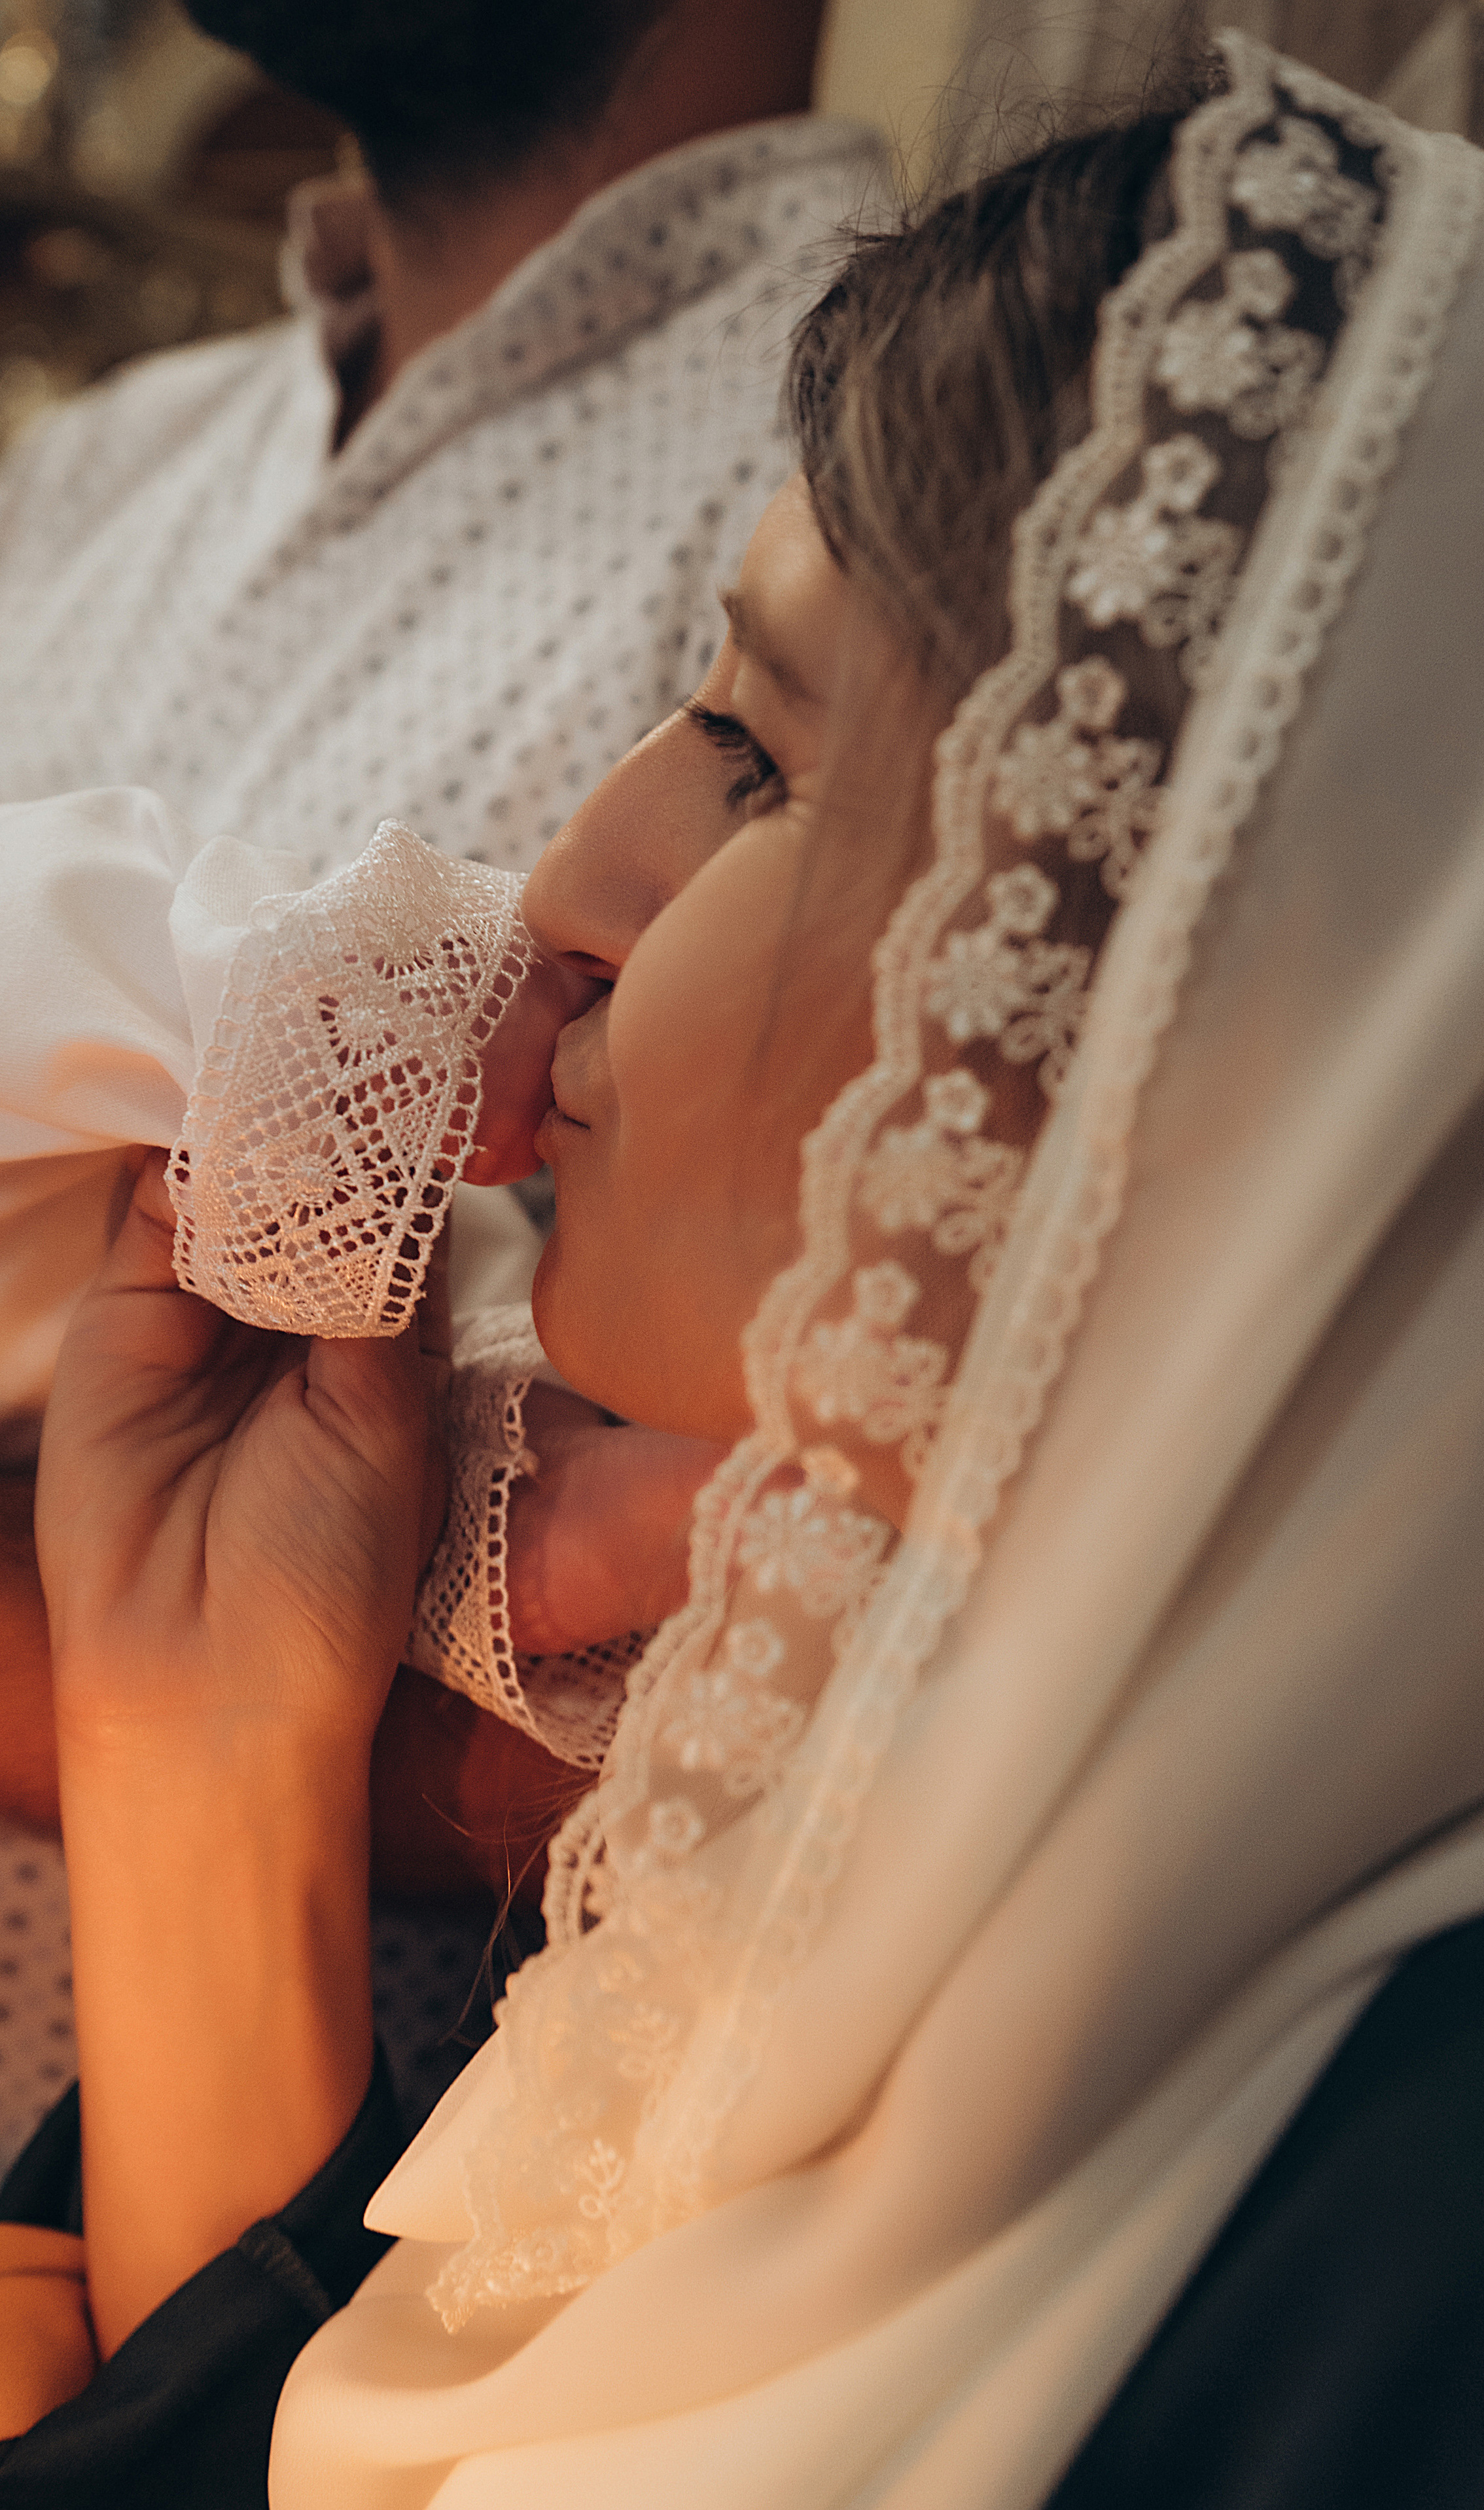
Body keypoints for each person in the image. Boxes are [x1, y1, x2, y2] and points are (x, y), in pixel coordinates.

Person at [5, 28, 1484, 2501]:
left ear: (1270, 1024)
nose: (565, 893)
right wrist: (212, 1751)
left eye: (763, 756)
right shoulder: (761, 1901)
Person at [0, 0, 883, 2147]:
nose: (575, 891)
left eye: (736, 755)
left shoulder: (888, 488)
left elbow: (770, 1637)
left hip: (313, 2286)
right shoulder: (105, 460)